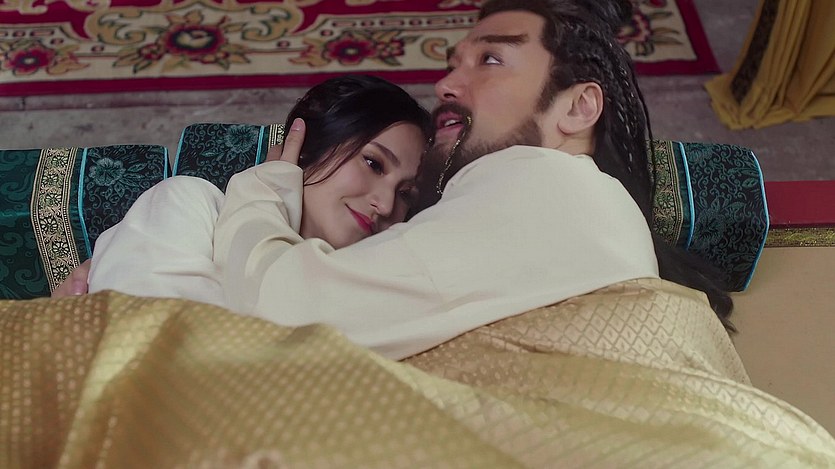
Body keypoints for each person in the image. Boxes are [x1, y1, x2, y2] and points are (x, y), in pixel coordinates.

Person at [56, 0, 729, 360]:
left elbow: (282, 311)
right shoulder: (193, 203)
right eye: (374, 163)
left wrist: (262, 189)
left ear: (578, 107)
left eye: (491, 60)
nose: (448, 83)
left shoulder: (542, 189)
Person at [83, 74, 432, 307]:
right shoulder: (191, 205)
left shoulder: (373, 287)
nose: (386, 204)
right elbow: (149, 346)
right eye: (373, 163)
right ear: (306, 146)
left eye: (406, 194)